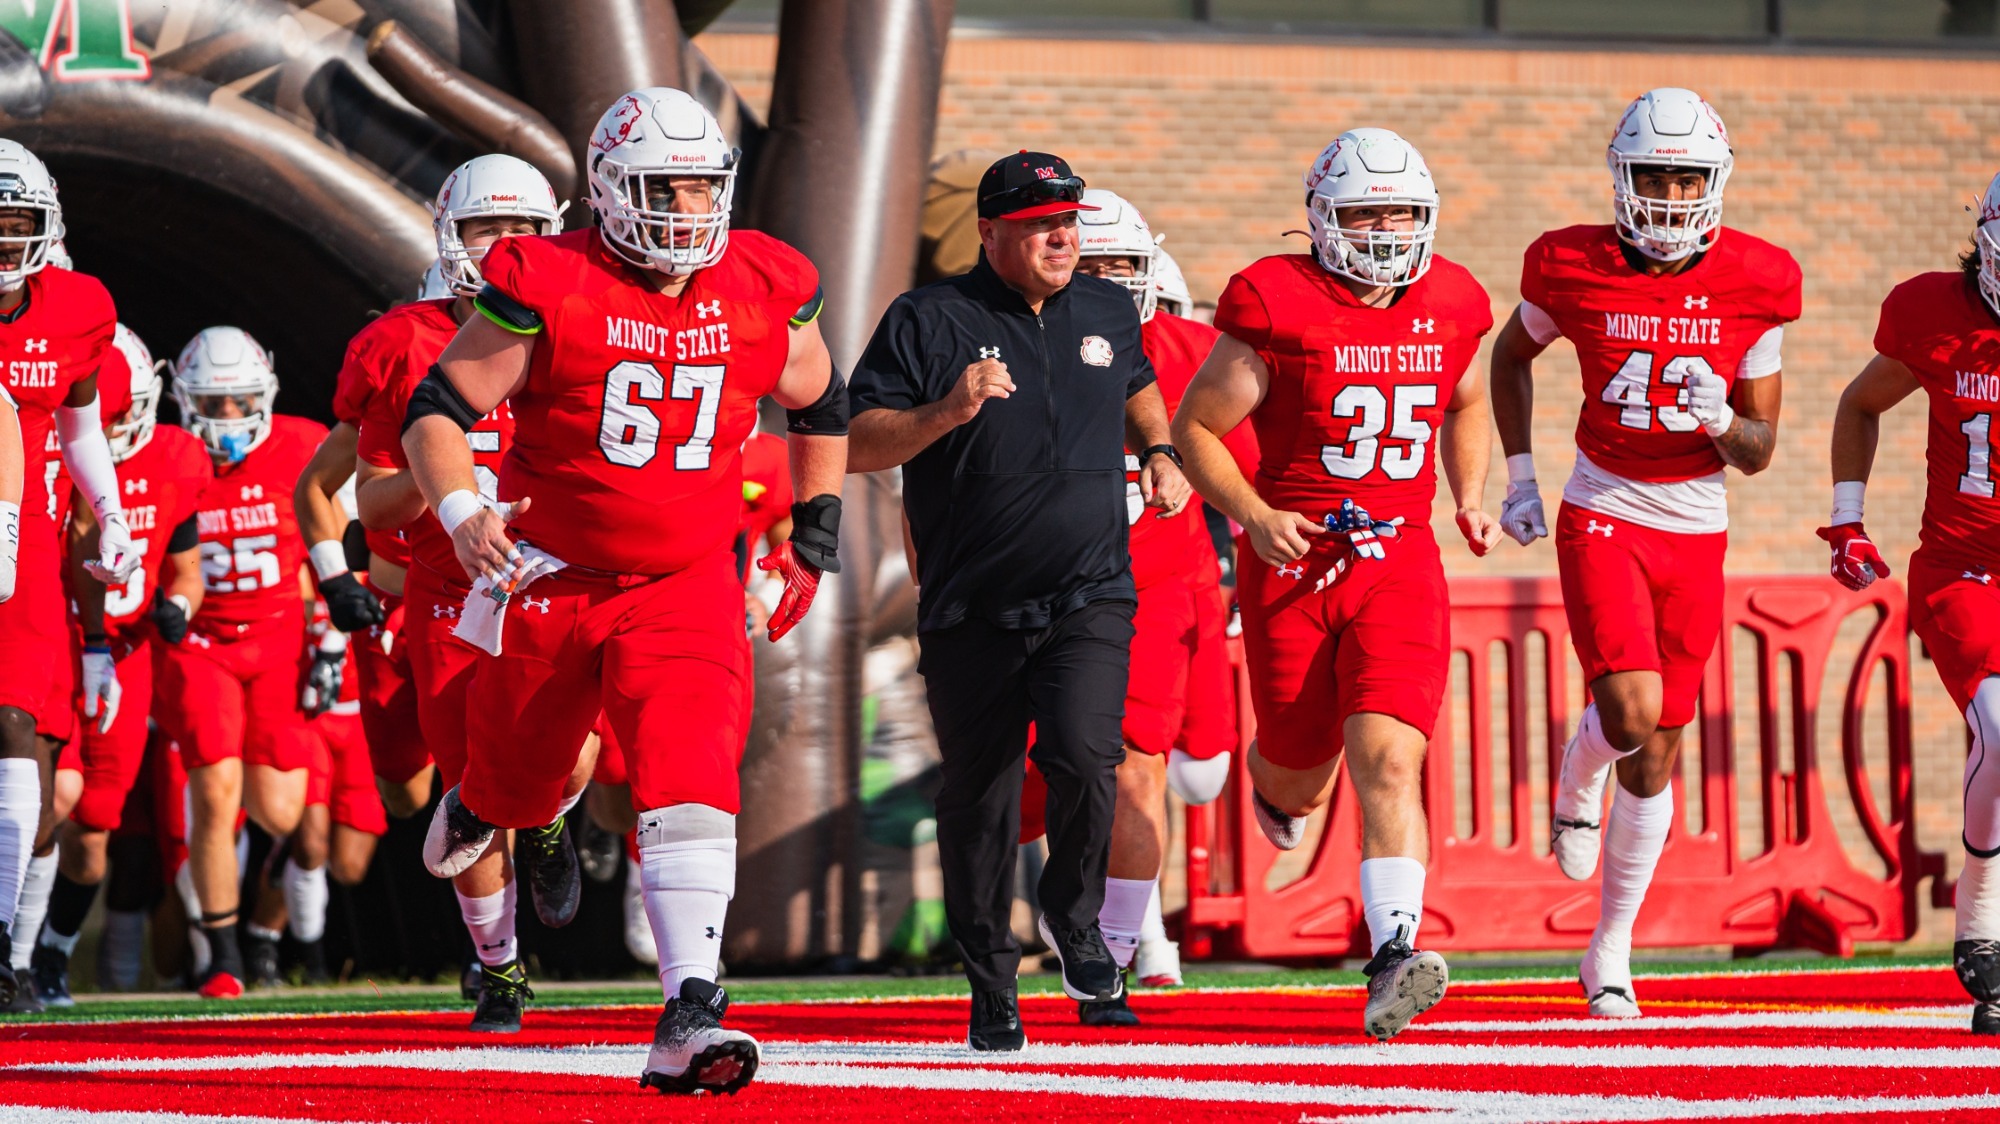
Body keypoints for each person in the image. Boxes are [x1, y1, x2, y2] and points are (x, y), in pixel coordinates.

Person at [403, 87, 845, 1092]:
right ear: (606, 188)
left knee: (689, 764)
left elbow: (822, 398)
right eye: (662, 186)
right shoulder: (544, 277)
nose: (686, 208)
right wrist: (465, 506)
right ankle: (483, 794)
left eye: (701, 184)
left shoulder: (766, 280)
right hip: (548, 573)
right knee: (527, 779)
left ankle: (691, 1004)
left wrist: (812, 533)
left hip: (686, 578)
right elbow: (438, 407)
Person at [848, 151, 1190, 1049]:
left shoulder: (1109, 307)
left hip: (1089, 592)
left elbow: (1138, 385)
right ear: (991, 232)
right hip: (971, 605)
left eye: (1068, 220)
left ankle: (1075, 922)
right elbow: (855, 442)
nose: (1063, 236)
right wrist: (944, 415)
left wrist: (1160, 452)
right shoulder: (927, 318)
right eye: (1041, 224)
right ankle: (989, 982)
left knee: (1086, 758)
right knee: (982, 801)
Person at [1174, 127, 1499, 1040]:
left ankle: (1394, 952)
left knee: (1391, 758)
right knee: (1299, 773)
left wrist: (1469, 494)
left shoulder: (1452, 299)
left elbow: (1466, 399)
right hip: (1293, 556)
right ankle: (1272, 788)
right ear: (1322, 220)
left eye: (1400, 211)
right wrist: (1254, 514)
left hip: (1398, 557)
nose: (1387, 229)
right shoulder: (1276, 301)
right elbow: (1197, 428)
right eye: (1365, 212)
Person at [1487, 88, 1799, 1018]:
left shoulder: (1759, 278)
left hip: (1696, 521)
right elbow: (1510, 358)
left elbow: (1758, 453)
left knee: (1659, 754)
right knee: (1628, 711)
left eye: (1687, 176)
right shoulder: (1570, 262)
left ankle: (1608, 951)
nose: (1668, 194)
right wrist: (1520, 477)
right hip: (1605, 507)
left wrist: (1721, 416)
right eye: (1654, 174)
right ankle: (1575, 780)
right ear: (1621, 178)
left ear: (1717, 181)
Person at [347, 153, 579, 1032]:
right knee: (465, 787)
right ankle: (501, 969)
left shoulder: (583, 326)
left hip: (562, 579)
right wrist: (436, 481)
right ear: (452, 236)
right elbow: (368, 497)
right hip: (450, 588)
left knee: (575, 749)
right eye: (490, 229)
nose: (510, 247)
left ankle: (552, 819)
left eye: (526, 229)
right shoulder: (403, 341)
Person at [1820, 172, 2000, 1035]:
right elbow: (1861, 400)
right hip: (1963, 569)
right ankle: (1982, 908)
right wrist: (1847, 518)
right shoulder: (1932, 311)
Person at [1066, 187, 1240, 1007]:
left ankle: (1116, 945)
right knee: (1044, 787)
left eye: (1121, 269)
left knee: (1184, 776)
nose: (1105, 283)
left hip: (1165, 589)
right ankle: (1109, 944)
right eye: (1088, 265)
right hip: (1054, 593)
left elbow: (1271, 448)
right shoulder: (1012, 351)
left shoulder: (1194, 350)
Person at [29, 326, 209, 1005]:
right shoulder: (50, 450)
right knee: (54, 798)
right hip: (55, 644)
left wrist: (180, 609)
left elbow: (185, 572)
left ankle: (53, 952)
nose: (121, 422)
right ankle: (18, 951)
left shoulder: (176, 458)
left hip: (126, 657)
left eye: (128, 407)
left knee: (93, 826)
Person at [0, 140, 140, 1008]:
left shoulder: (77, 307)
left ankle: (6, 951)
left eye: (15, 225)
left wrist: (114, 516)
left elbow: (83, 426)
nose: (2, 241)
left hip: (30, 561)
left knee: (24, 742)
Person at [153, 326, 325, 999]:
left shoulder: (302, 446)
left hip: (280, 642)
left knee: (285, 815)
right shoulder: (170, 456)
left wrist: (328, 638)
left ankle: (259, 932)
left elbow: (328, 543)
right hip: (203, 647)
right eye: (212, 402)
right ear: (184, 401)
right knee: (214, 791)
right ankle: (222, 959)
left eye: (240, 400)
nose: (227, 416)